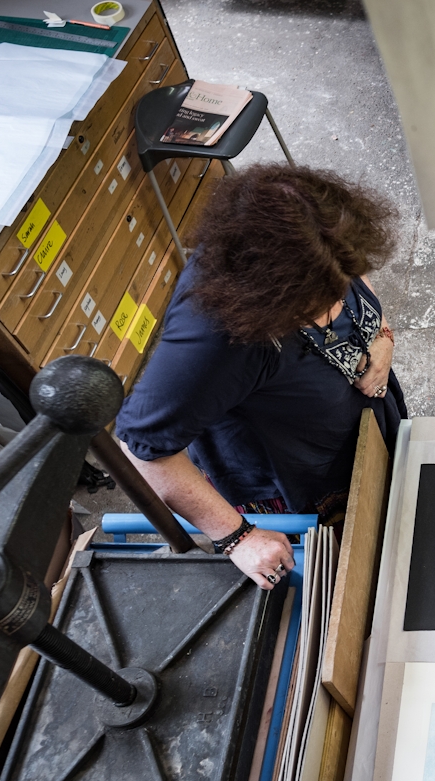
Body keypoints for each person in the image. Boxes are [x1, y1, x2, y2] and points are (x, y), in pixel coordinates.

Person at [115, 164, 407, 590]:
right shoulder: (218, 341)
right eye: (320, 298)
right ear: (272, 296)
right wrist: (237, 538)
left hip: (353, 433)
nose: (337, 301)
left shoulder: (318, 248)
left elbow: (351, 270)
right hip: (292, 473)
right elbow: (143, 447)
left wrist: (381, 338)